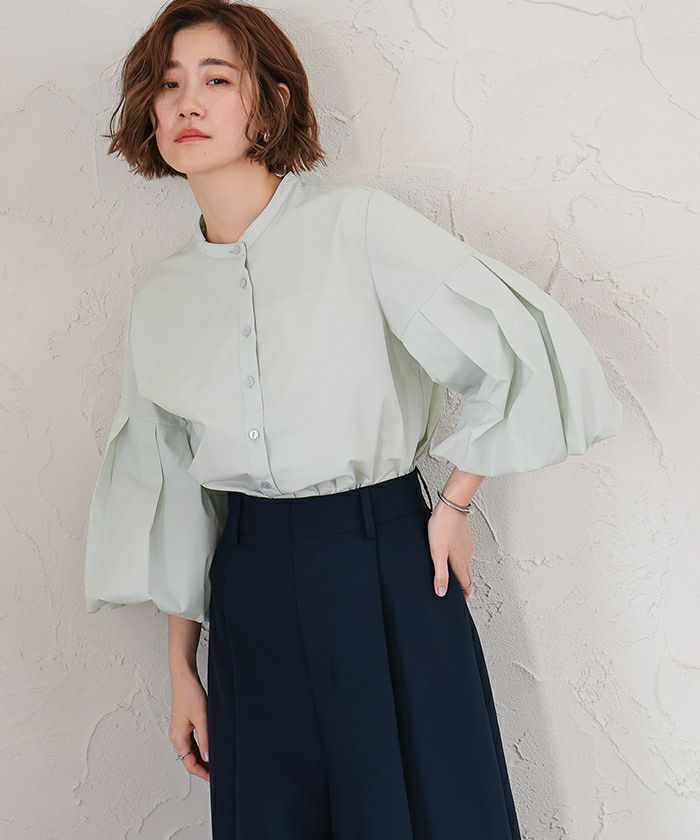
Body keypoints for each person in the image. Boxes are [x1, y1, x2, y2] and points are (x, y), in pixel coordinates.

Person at [83, 1, 623, 837]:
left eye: (216, 80)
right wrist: (181, 665)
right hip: (250, 588)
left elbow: (516, 348)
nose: (187, 102)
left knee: (428, 813)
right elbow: (172, 485)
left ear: (272, 102)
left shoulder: (357, 228)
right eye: (167, 83)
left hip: (386, 567)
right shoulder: (162, 299)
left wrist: (455, 503)